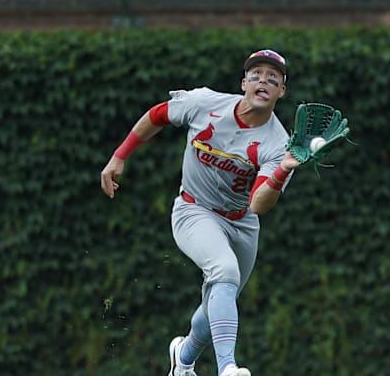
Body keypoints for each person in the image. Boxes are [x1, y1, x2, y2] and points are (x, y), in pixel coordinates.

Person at [101, 49, 300, 376]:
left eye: (273, 78)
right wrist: (120, 156)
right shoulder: (206, 103)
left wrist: (281, 172)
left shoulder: (279, 144)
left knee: (220, 299)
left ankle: (184, 358)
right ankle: (227, 369)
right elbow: (158, 115)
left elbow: (258, 205)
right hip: (194, 210)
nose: (263, 81)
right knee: (224, 272)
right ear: (243, 83)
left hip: (242, 223)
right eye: (256, 75)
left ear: (281, 91)